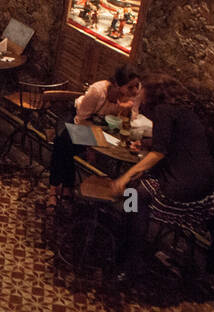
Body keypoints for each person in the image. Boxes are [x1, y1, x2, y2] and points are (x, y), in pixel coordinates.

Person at [108, 74, 214, 284]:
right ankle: (129, 242)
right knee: (135, 196)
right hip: (203, 181)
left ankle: (131, 260)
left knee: (134, 195)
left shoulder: (163, 111)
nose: (138, 92)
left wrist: (125, 176)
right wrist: (147, 144)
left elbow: (160, 153)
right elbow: (169, 142)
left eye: (141, 89)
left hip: (184, 182)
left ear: (151, 92)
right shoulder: (179, 109)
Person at [47, 66, 143, 208]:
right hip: (80, 118)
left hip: (103, 127)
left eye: (137, 86)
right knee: (63, 144)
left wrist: (126, 110)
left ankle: (64, 187)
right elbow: (80, 119)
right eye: (130, 87)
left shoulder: (133, 96)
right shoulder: (97, 90)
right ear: (116, 84)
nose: (135, 91)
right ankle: (55, 190)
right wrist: (90, 147)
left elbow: (130, 122)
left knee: (64, 147)